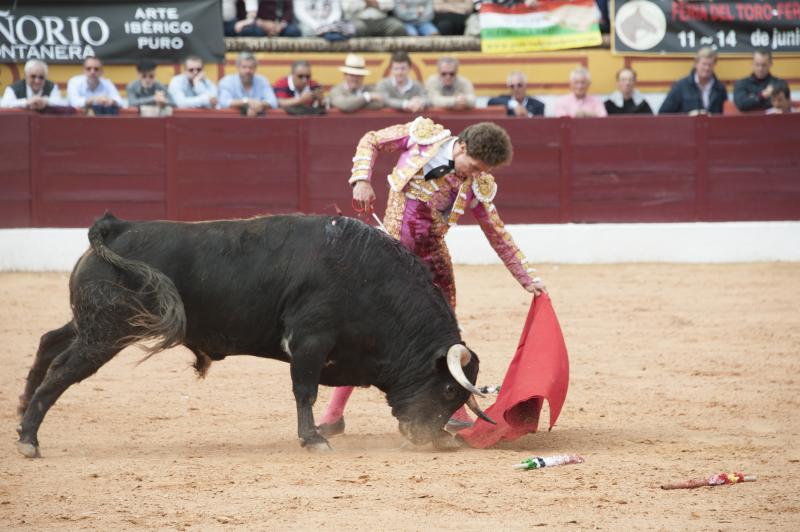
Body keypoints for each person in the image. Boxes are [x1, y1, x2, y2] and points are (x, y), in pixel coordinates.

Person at [316, 117, 544, 437]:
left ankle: (456, 411)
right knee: (366, 333)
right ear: (462, 145)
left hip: (431, 265)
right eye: (474, 165)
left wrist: (526, 277)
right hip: (388, 259)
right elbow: (371, 139)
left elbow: (497, 234)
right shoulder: (422, 138)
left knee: (442, 341)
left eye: (483, 171)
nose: (476, 174)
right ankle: (333, 415)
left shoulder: (476, 185)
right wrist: (361, 180)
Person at [659, 47, 727, 115]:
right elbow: (663, 114)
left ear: (714, 65)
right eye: (704, 64)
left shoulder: (720, 88)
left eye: (710, 65)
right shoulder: (680, 86)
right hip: (686, 125)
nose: (707, 68)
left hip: (713, 125)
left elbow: (725, 116)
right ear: (696, 64)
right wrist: (689, 116)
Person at [218, 51, 278, 116]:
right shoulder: (227, 81)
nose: (247, 71)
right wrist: (246, 102)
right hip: (231, 122)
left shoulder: (262, 81)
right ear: (238, 67)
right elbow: (223, 102)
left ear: (255, 68)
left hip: (259, 122)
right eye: (244, 67)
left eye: (251, 67)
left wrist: (259, 105)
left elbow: (273, 102)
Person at [0, 59, 66, 110]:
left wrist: (45, 101)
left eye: (41, 77)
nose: (37, 81)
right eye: (33, 76)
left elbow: (62, 104)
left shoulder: (52, 87)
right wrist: (26, 102)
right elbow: (3, 105)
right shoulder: (13, 88)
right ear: (26, 76)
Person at [341, 0, 407, 36]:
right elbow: (347, 7)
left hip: (382, 20)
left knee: (398, 27)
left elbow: (390, 5)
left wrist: (367, 2)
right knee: (354, 29)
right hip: (358, 21)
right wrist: (370, 3)